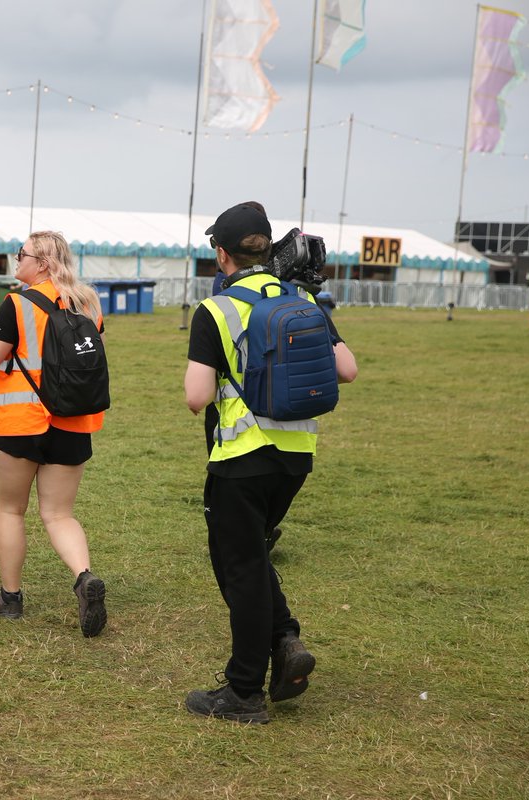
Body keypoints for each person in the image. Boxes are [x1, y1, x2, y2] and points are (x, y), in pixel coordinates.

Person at [183, 202, 358, 723]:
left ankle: (243, 692)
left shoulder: (215, 310)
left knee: (241, 569)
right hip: (296, 454)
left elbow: (197, 396)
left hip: (241, 454)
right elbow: (346, 368)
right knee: (251, 557)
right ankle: (284, 639)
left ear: (222, 254)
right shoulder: (300, 296)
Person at [0, 231, 109, 638]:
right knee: (59, 514)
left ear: (41, 263)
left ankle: (10, 598)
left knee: (10, 510)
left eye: (21, 255)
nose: (15, 261)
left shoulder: (16, 304)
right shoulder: (88, 302)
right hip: (73, 423)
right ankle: (83, 576)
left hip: (21, 423)